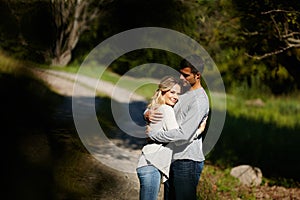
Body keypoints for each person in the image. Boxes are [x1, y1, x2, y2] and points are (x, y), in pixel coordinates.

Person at [146, 55, 210, 200]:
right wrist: (148, 114)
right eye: (180, 73)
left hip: (187, 161)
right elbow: (159, 102)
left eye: (186, 75)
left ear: (197, 75)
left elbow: (183, 135)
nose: (181, 77)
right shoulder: (181, 91)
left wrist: (154, 135)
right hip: (172, 158)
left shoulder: (199, 101)